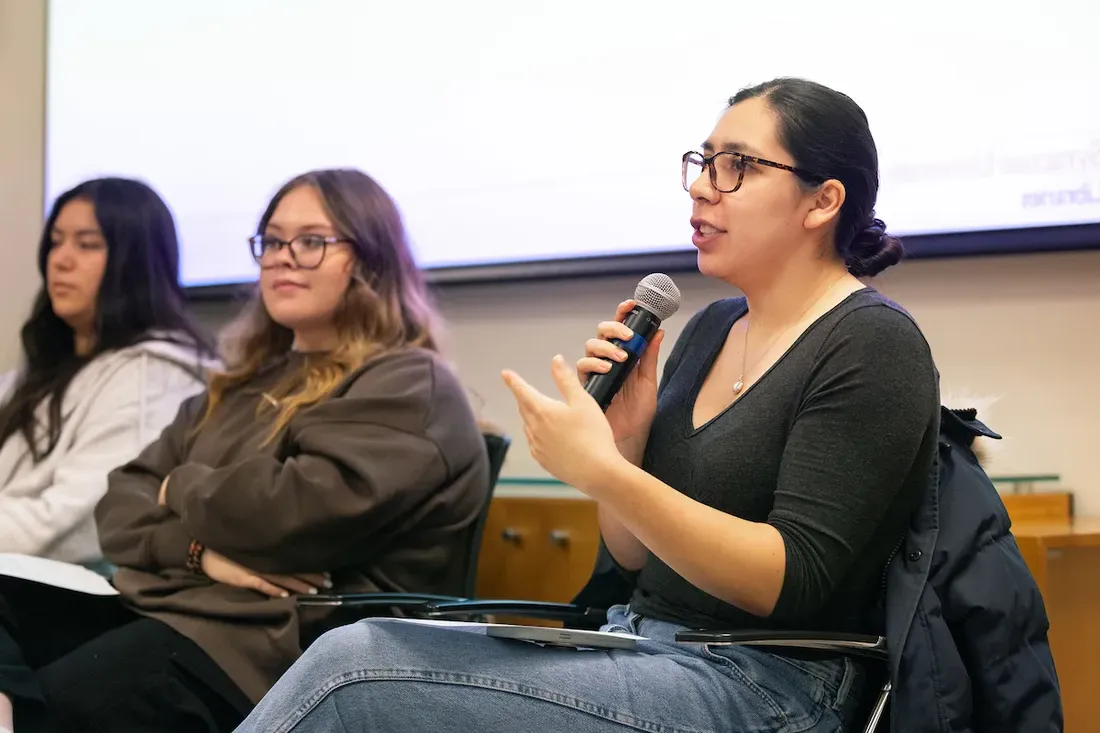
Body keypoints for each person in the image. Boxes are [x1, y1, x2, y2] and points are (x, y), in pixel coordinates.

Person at [236, 78, 941, 732]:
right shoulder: (711, 329)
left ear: (823, 201)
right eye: (702, 162)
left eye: (738, 166)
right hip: (640, 642)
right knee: (359, 646)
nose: (701, 187)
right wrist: (627, 442)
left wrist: (606, 471)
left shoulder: (871, 343)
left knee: (352, 673)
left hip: (770, 680)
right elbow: (635, 559)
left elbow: (789, 579)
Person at [0, 169, 489, 732]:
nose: (282, 257)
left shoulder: (406, 382)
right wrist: (197, 552)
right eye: (273, 241)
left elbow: (288, 514)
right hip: (167, 607)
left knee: (66, 702)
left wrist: (175, 485)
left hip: (268, 651)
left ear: (371, 261)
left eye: (311, 242)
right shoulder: (242, 384)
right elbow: (120, 505)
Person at [0, 177, 214, 567]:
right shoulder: (42, 368)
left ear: (134, 262)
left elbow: (78, 526)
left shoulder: (153, 375)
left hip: (65, 597)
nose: (61, 259)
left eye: (87, 244)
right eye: (56, 241)